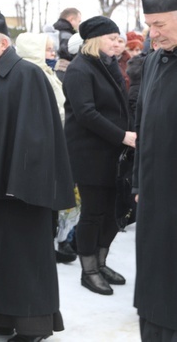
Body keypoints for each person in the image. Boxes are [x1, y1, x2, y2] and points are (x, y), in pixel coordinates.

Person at [0, 7, 75, 341]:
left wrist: (21, 186)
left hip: (21, 194)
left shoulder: (27, 75)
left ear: (3, 42)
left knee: (25, 261)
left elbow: (39, 138)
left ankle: (33, 327)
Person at [62, 16, 133, 296]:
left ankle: (101, 262)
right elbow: (86, 113)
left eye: (118, 38)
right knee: (93, 213)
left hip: (113, 153)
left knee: (113, 213)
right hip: (89, 154)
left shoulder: (109, 65)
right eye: (112, 37)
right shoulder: (81, 68)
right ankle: (88, 269)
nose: (117, 42)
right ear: (95, 40)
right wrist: (122, 136)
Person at [133, 0, 177, 341]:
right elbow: (142, 125)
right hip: (153, 198)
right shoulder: (152, 62)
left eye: (159, 24)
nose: (153, 34)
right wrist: (137, 183)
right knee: (154, 291)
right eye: (149, 26)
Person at [16, 32, 79, 265]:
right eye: (48, 49)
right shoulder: (30, 76)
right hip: (39, 152)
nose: (53, 54)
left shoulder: (48, 74)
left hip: (55, 145)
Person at [53, 7, 82, 81]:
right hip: (64, 73)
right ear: (71, 19)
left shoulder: (54, 32)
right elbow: (68, 54)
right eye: (79, 21)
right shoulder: (66, 36)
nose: (79, 25)